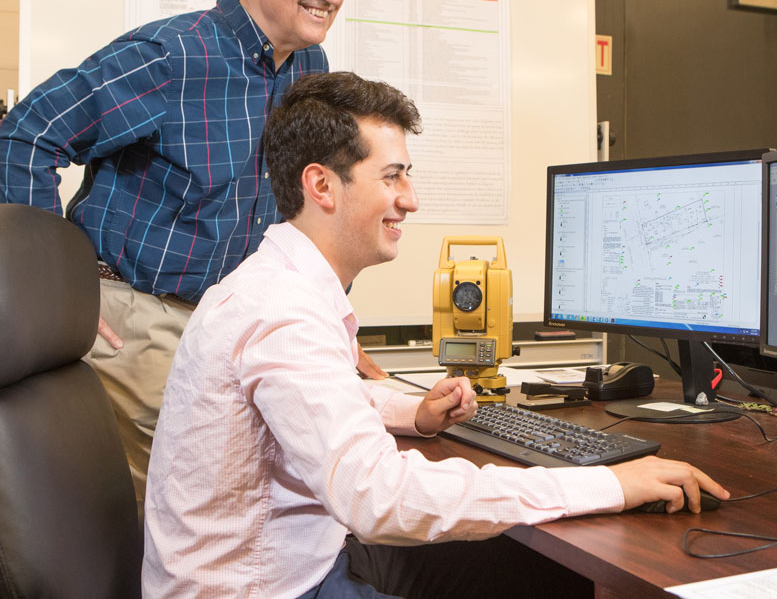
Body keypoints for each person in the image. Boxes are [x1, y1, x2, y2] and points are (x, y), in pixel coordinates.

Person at [142, 71, 730, 599]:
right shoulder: (283, 313)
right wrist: (604, 483)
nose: (411, 200)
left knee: (532, 576)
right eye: (392, 176)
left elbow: (308, 397)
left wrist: (409, 413)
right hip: (271, 589)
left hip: (293, 568)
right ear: (321, 186)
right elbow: (378, 498)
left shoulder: (273, 286)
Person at [0, 0, 386, 515]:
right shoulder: (172, 57)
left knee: (297, 488)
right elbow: (27, 133)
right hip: (145, 316)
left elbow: (298, 204)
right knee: (203, 515)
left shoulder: (307, 67)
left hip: (235, 319)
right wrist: (53, 294)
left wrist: (325, 323)